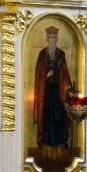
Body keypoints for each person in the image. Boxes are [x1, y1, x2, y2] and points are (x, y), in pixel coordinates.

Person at [33, 25, 74, 159]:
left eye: (54, 37)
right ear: (47, 39)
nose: (52, 40)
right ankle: (46, 152)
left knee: (58, 121)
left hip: (58, 95)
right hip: (45, 95)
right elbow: (38, 76)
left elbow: (65, 75)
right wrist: (46, 76)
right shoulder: (42, 54)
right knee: (47, 122)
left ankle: (59, 151)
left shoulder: (61, 54)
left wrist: (68, 89)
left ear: (57, 39)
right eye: (50, 37)